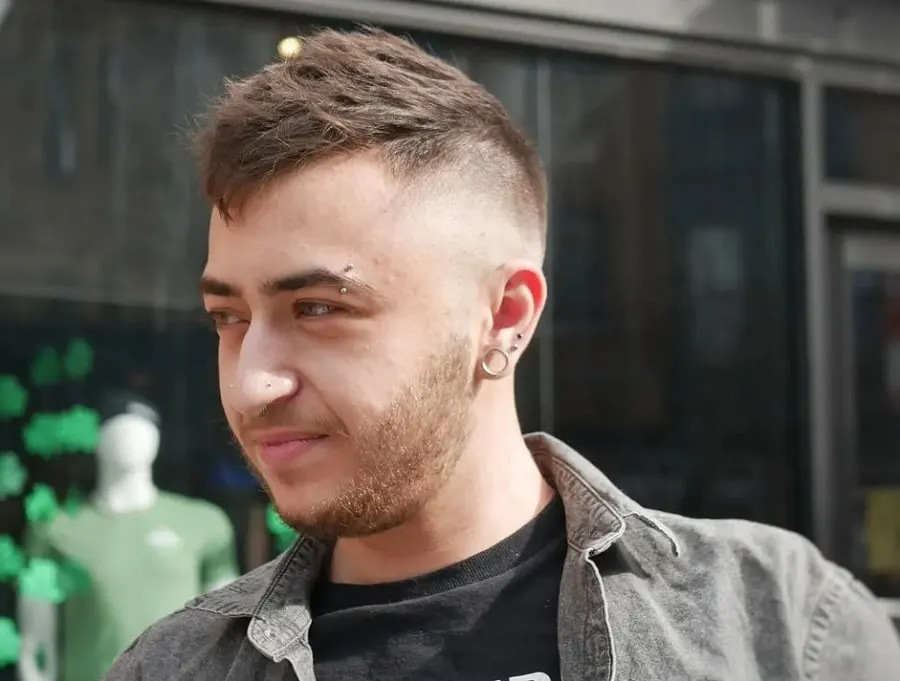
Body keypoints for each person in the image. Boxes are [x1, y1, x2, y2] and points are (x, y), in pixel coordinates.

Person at [104, 26, 900, 681]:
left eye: (317, 308)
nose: (252, 383)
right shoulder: (169, 668)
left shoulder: (779, 629)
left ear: (504, 315)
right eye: (228, 316)